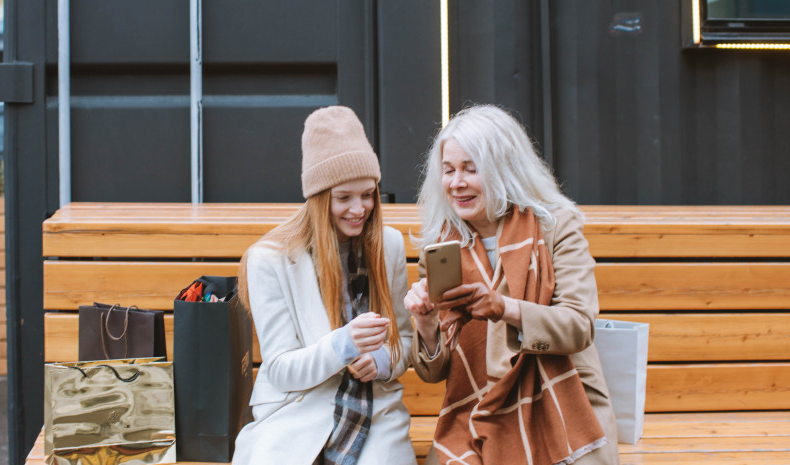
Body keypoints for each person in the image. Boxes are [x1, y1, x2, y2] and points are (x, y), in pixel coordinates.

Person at [405, 105, 619, 465]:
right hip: (475, 409)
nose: (457, 183)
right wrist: (425, 325)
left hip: (563, 405)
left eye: (471, 169)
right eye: (449, 170)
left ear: (504, 168)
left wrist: (504, 308)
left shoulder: (556, 227)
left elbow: (579, 325)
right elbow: (433, 372)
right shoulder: (442, 247)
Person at [232, 106, 416, 465]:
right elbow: (282, 370)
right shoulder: (270, 258)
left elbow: (404, 341)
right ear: (318, 198)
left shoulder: (387, 245)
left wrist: (381, 361)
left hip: (374, 410)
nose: (359, 208)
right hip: (296, 412)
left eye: (368, 194)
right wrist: (342, 345)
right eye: (343, 197)